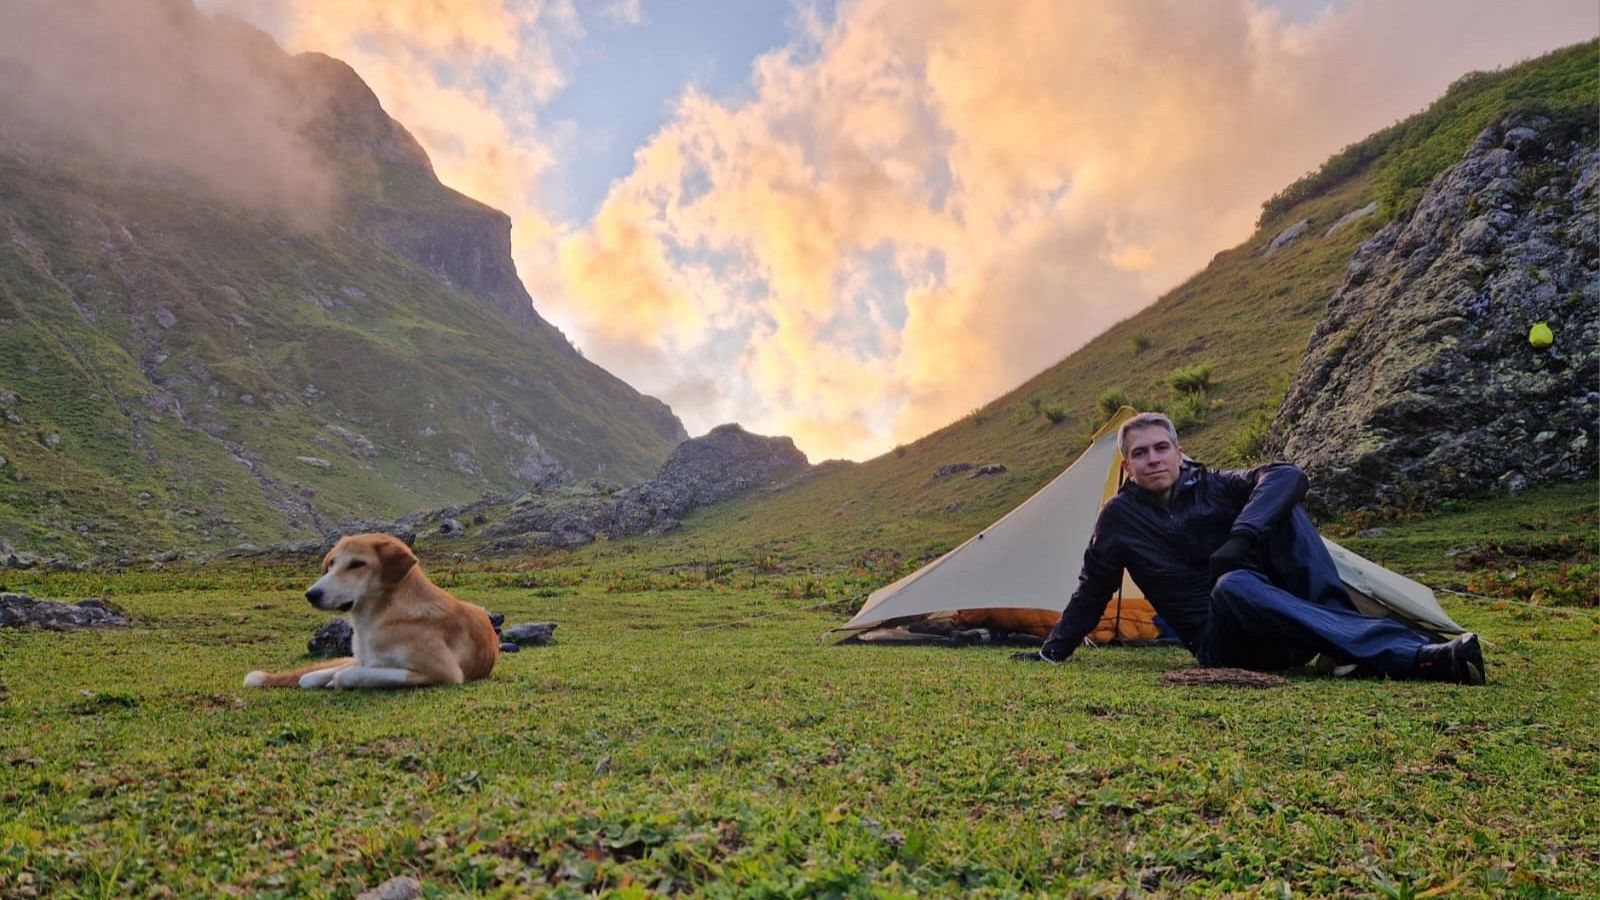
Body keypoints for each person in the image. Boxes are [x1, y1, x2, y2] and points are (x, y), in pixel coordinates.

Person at [1015, 412, 1486, 684]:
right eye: (1140, 453)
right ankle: (1415, 657)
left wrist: (1242, 536)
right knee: (1233, 586)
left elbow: (1287, 475)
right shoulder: (1118, 519)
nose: (1153, 459)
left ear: (1180, 453)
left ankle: (1341, 641)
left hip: (1281, 622)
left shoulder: (1216, 485)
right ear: (1127, 465)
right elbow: (1092, 588)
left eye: (1161, 448)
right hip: (1222, 643)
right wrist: (1053, 651)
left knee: (1284, 510)